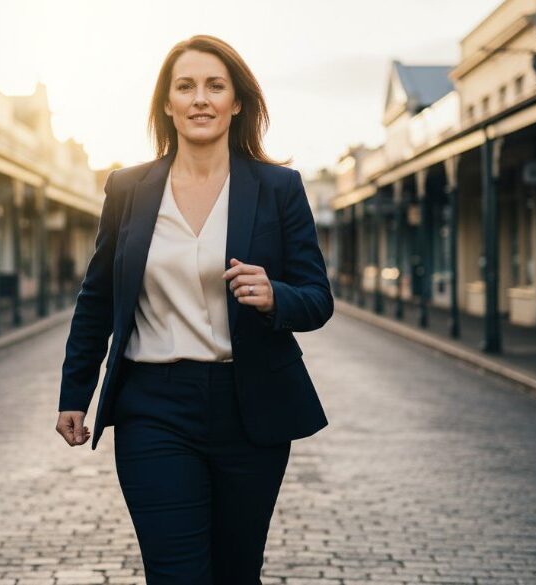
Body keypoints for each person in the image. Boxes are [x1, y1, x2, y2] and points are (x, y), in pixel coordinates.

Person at [55, 34, 334, 584]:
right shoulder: (129, 188)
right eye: (186, 86)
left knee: (235, 573)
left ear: (236, 102)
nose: (200, 98)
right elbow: (98, 298)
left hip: (249, 407)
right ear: (167, 102)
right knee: (175, 574)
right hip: (152, 407)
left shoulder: (279, 188)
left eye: (215, 86)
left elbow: (317, 298)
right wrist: (74, 393)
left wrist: (277, 295)